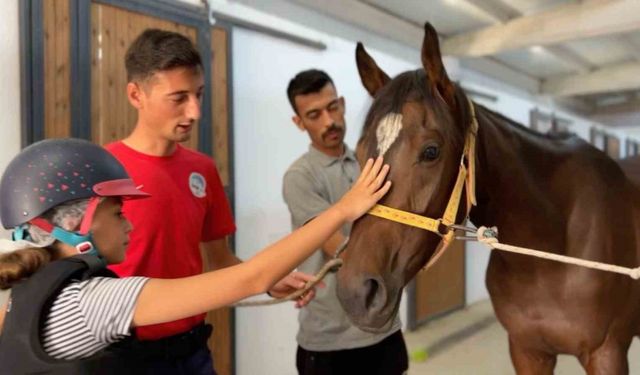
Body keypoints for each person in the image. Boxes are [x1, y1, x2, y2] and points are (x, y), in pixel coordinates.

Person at [0, 138, 391, 374]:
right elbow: (250, 278)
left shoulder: (23, 292)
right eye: (118, 213)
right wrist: (343, 209)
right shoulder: (95, 301)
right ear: (75, 219)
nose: (129, 226)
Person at [105, 29, 317, 373]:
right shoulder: (101, 170)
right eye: (179, 98)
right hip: (120, 354)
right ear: (135, 94)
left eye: (199, 95)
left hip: (192, 351)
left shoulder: (202, 171)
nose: (195, 111)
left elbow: (219, 260)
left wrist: (268, 279)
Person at [283, 69, 408, 374]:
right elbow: (334, 244)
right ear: (299, 123)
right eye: (314, 115)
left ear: (342, 103)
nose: (329, 121)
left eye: (332, 108)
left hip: (384, 328)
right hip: (330, 340)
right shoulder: (300, 177)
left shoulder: (372, 165)